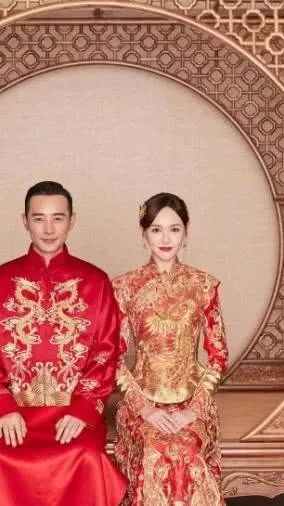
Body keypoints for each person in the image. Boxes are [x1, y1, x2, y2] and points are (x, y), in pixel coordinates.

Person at [0, 181, 127, 506]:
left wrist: (82, 411)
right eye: (39, 218)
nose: (49, 229)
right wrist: (2, 409)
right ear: (25, 221)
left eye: (58, 218)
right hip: (14, 415)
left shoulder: (96, 281)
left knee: (87, 458)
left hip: (72, 415)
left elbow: (106, 352)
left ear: (72, 221)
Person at [112, 192, 229, 506]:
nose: (166, 239)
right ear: (144, 234)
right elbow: (113, 357)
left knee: (185, 452)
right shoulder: (125, 287)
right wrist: (144, 409)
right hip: (142, 404)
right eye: (156, 230)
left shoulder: (204, 285)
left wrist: (194, 409)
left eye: (174, 229)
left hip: (192, 401)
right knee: (155, 450)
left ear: (185, 233)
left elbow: (219, 356)